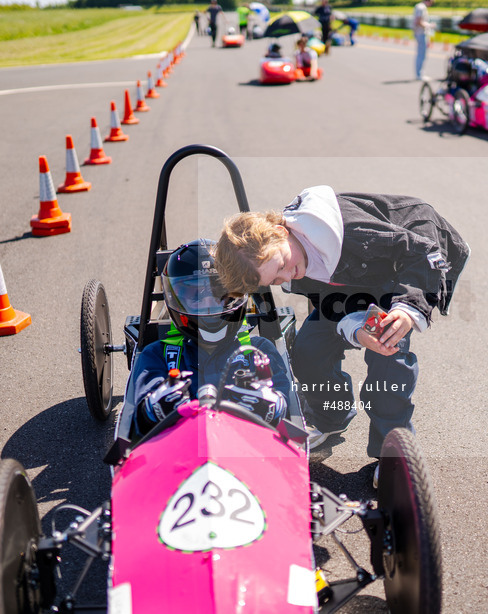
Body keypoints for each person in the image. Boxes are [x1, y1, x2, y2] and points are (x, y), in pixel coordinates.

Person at [215, 187, 470, 487]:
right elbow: (329, 301)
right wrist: (354, 327)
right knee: (309, 348)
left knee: (387, 354)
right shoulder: (294, 260)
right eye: (276, 280)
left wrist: (408, 308)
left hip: (405, 267)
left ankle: (393, 454)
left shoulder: (352, 233)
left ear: (280, 232)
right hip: (354, 287)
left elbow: (422, 251)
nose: (286, 277)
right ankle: (329, 418)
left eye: (281, 266)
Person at [127, 239, 292, 439]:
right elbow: (139, 419)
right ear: (174, 299)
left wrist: (271, 405)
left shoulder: (259, 350)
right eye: (195, 295)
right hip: (179, 454)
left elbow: (285, 404)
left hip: (245, 453)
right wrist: (154, 409)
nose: (207, 304)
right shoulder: (157, 355)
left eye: (219, 293)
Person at [412, 0, 434, 80]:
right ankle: (419, 74)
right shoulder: (421, 7)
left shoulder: (419, 6)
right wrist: (429, 25)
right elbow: (418, 21)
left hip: (419, 33)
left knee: (421, 54)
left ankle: (419, 73)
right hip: (421, 33)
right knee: (422, 54)